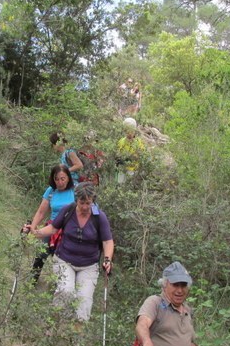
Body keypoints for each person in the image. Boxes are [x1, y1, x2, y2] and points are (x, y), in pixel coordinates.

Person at [31, 182, 113, 321]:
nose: (85, 207)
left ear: (93, 201)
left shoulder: (99, 217)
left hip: (89, 265)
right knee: (65, 291)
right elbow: (53, 229)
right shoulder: (68, 210)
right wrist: (34, 232)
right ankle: (56, 327)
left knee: (84, 302)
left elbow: (107, 241)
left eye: (89, 203)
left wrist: (107, 259)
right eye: (82, 203)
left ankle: (75, 337)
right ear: (76, 200)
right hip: (64, 259)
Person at [22, 164, 75, 282]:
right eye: (57, 179)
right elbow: (41, 212)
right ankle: (32, 281)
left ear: (68, 178)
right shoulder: (51, 191)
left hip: (69, 228)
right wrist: (33, 228)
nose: (60, 182)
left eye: (63, 179)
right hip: (52, 226)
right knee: (41, 253)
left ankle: (60, 283)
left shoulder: (74, 191)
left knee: (63, 259)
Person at [116, 117, 145, 184]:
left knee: (130, 187)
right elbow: (117, 154)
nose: (129, 133)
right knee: (120, 186)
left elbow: (140, 156)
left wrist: (128, 158)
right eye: (127, 130)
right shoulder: (121, 141)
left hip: (132, 170)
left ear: (134, 130)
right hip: (122, 170)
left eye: (131, 130)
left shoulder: (138, 143)